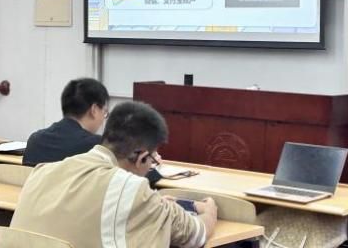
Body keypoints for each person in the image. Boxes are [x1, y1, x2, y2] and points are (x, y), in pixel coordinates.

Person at [11, 101, 217, 248]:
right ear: (141, 157)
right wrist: (209, 210)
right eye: (152, 161)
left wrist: (157, 204)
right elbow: (196, 235)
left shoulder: (43, 171)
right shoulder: (133, 190)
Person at [22, 77, 109, 166]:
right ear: (94, 110)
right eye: (105, 112)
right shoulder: (97, 147)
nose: (103, 118)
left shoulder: (35, 140)